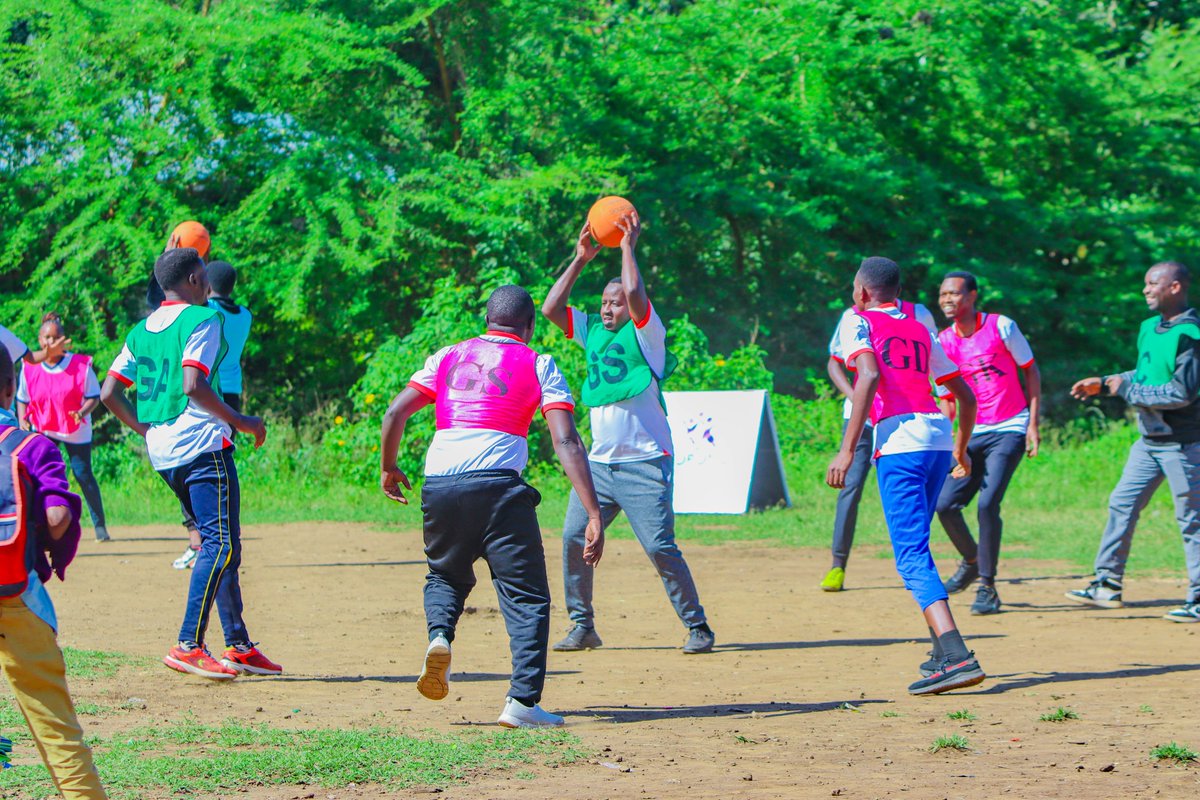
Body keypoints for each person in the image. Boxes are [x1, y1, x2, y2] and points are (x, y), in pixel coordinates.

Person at [379, 285, 605, 728]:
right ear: (530, 325)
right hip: (499, 489)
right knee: (526, 597)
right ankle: (521, 703)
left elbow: (394, 415)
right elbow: (565, 439)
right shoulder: (540, 363)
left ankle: (440, 636)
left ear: (487, 319)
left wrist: (389, 467)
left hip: (440, 485)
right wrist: (593, 511)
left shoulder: (446, 355)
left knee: (445, 574)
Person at [100, 247, 280, 679]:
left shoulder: (140, 329)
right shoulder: (204, 320)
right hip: (201, 445)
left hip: (164, 451)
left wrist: (144, 431)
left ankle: (237, 644)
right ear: (197, 280)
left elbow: (109, 393)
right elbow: (194, 384)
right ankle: (188, 644)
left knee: (221, 543)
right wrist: (242, 420)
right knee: (220, 544)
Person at [542, 213, 715, 655]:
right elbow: (550, 307)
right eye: (604, 301)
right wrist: (580, 260)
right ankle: (583, 626)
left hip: (644, 462)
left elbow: (635, 292)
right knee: (571, 539)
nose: (608, 307)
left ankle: (697, 626)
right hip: (598, 465)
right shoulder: (593, 334)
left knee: (659, 546)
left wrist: (626, 247)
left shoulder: (648, 337)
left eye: (615, 302)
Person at [827, 256, 985, 695]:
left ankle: (956, 655)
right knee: (921, 544)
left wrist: (845, 450)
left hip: (900, 442)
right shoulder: (920, 327)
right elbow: (965, 397)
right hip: (935, 437)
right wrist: (959, 447)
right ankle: (940, 653)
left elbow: (869, 375)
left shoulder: (858, 322)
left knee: (910, 554)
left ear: (861, 293)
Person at [0, 348, 110, 799]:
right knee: (55, 727)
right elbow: (58, 515)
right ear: (9, 389)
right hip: (15, 593)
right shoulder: (31, 446)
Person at [1067, 261, 1200, 622]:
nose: (1145, 289)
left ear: (1175, 287)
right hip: (1148, 442)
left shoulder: (1191, 334)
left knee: (1192, 520)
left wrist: (1127, 390)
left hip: (1183, 444)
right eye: (1145, 283)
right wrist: (1108, 380)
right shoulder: (1149, 328)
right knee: (1121, 505)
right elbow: (1145, 375)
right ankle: (1106, 584)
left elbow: (1181, 393)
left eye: (1153, 283)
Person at [933, 271, 1041, 614]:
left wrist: (1033, 424)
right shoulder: (944, 342)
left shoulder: (1001, 327)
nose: (948, 300)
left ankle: (988, 587)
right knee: (945, 505)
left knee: (986, 504)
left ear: (973, 296)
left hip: (1010, 426)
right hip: (971, 431)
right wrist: (950, 443)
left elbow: (1031, 371)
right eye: (943, 295)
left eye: (955, 293)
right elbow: (947, 399)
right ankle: (971, 560)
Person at [823, 298, 938, 591]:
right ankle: (838, 565)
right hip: (862, 419)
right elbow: (835, 364)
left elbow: (935, 363)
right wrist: (855, 397)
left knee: (917, 495)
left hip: (906, 420)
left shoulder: (919, 315)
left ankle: (918, 564)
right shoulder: (853, 316)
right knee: (850, 486)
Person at [171, 260, 253, 571]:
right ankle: (215, 536)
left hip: (209, 390)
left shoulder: (208, 314)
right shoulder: (244, 314)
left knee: (193, 461)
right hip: (232, 393)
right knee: (219, 463)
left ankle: (199, 540)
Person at [17, 313, 111, 543]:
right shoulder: (30, 367)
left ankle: (100, 526)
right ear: (40, 340)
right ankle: (38, 523)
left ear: (64, 340)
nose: (51, 342)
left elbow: (94, 396)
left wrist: (81, 412)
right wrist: (22, 419)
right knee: (38, 474)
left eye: (55, 337)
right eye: (46, 337)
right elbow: (22, 398)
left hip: (74, 428)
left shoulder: (80, 365)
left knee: (82, 473)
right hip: (44, 428)